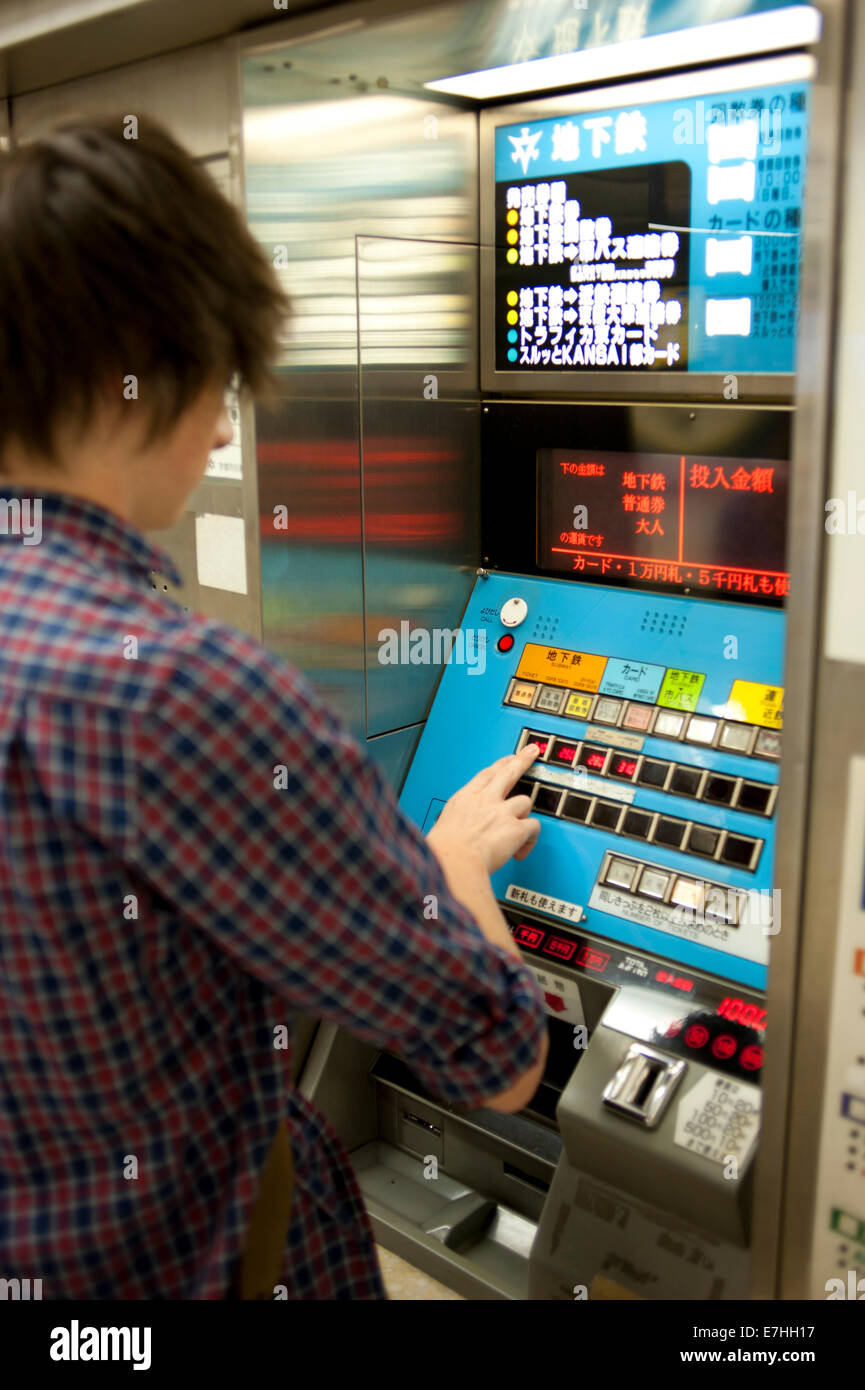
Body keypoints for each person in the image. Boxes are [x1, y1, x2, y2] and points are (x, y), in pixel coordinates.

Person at [0, 117, 547, 1300]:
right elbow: (498, 1056)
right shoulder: (185, 693)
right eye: (225, 373)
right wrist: (448, 872)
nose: (223, 422)